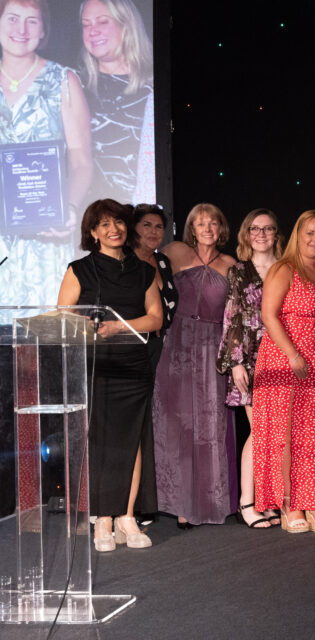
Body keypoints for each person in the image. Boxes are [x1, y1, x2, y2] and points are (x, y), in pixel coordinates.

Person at [56, 199, 161, 551]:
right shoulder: (79, 270)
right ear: (92, 232)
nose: (112, 229)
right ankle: (103, 519)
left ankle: (127, 517)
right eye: (103, 225)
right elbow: (62, 317)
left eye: (117, 222)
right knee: (101, 442)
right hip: (96, 365)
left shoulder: (144, 270)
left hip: (133, 365)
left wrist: (119, 327)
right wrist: (85, 325)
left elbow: (155, 318)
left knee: (132, 442)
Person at [252, 211, 315, 535]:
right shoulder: (284, 268)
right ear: (297, 236)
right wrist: (292, 354)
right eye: (309, 233)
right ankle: (291, 503)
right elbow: (268, 314)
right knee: (286, 436)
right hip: (285, 361)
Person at [0, 0, 92, 308]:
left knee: (43, 341)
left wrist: (69, 207)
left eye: (32, 21)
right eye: (12, 18)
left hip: (45, 238)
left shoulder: (63, 81)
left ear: (43, 31)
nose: (21, 30)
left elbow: (81, 161)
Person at [152, 203, 236, 527]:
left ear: (221, 228)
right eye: (200, 223)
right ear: (191, 227)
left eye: (213, 223)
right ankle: (179, 504)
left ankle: (208, 501)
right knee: (175, 425)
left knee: (209, 426)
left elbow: (239, 313)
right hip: (175, 342)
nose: (207, 228)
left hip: (213, 345)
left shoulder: (231, 264)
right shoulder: (173, 251)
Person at [216, 208, 283, 529]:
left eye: (268, 229)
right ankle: (247, 502)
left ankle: (269, 502)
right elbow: (232, 318)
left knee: (277, 435)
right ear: (246, 234)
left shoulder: (287, 269)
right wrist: (236, 364)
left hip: (282, 357)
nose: (261, 234)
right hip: (251, 359)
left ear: (276, 235)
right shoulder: (238, 271)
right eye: (255, 229)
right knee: (260, 433)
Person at [79, 0, 155, 203]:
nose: (92, 31)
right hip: (89, 218)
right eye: (86, 24)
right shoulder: (75, 87)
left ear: (127, 26)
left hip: (143, 217)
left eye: (102, 22)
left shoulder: (155, 87)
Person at [131, 203, 177, 369]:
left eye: (159, 227)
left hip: (163, 348)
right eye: (147, 225)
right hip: (131, 347)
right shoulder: (124, 263)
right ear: (133, 228)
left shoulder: (163, 262)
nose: (153, 231)